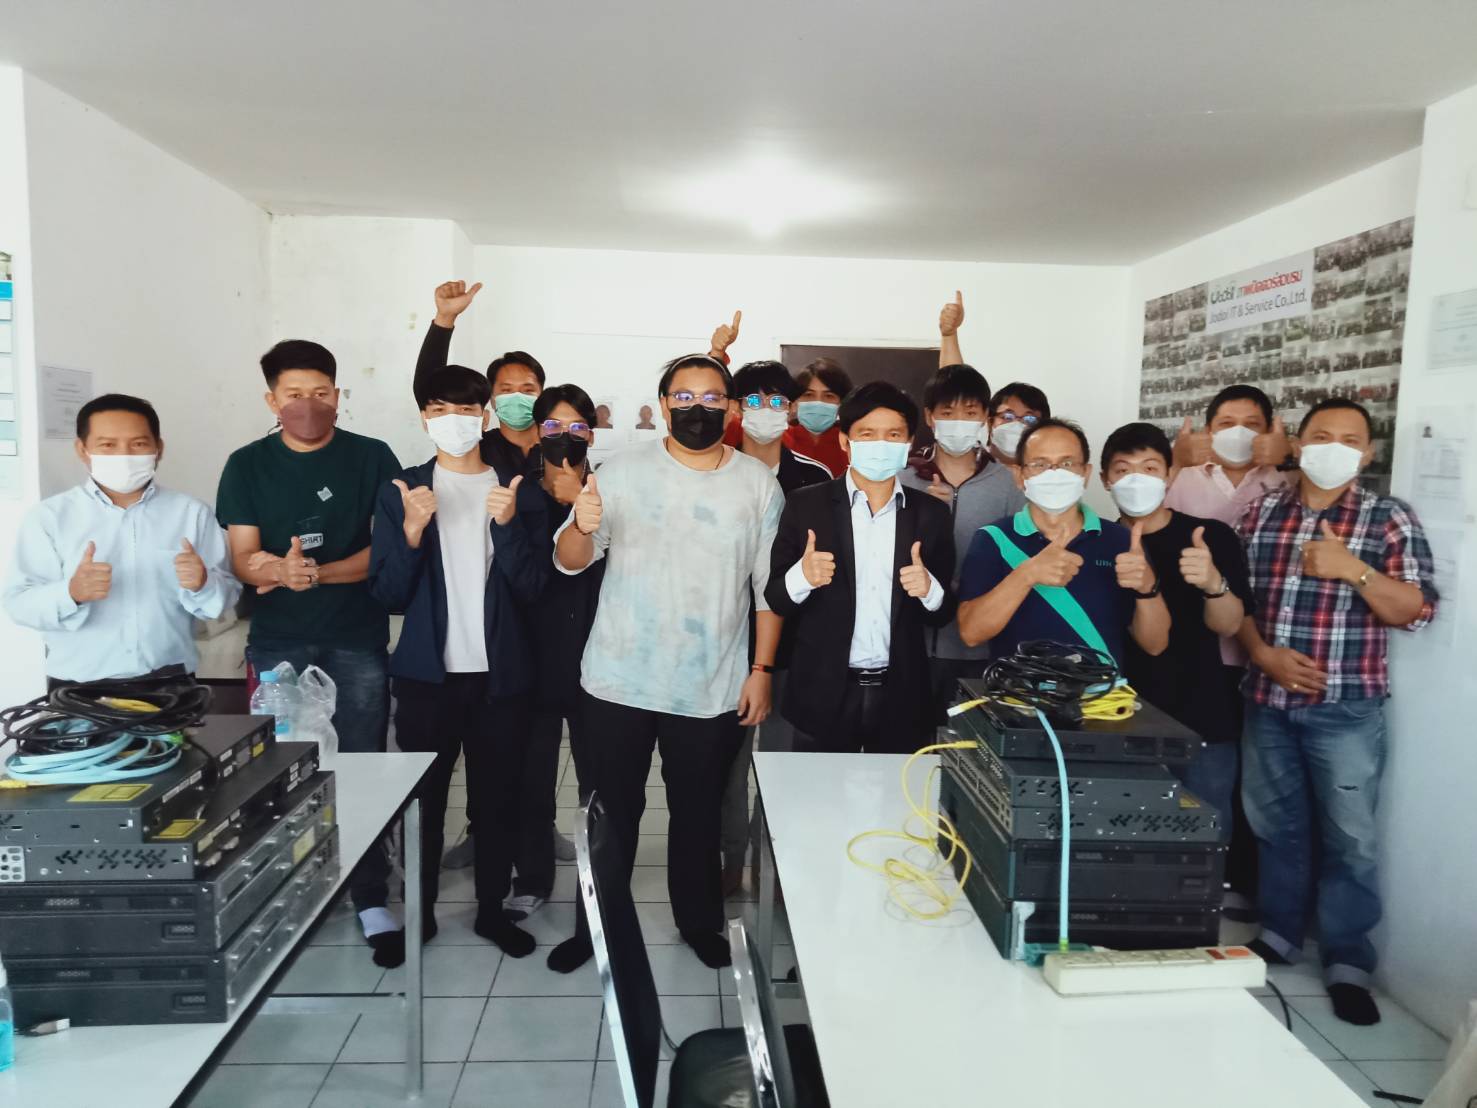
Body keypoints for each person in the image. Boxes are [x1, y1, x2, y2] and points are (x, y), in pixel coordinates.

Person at [549, 353, 782, 973]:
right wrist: (581, 523)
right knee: (609, 814)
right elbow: (570, 561)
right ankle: (594, 928)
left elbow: (769, 592)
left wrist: (761, 671)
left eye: (711, 397)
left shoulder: (758, 484)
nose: (696, 408)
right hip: (618, 678)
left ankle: (699, 921)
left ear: (730, 408)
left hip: (710, 682)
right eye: (683, 397)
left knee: (698, 812)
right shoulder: (621, 472)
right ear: (663, 403)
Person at [1235, 398, 1436, 1027]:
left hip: (1345, 708)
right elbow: (1234, 602)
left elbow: (1416, 610)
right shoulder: (1263, 512)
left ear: (1368, 453)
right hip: (1268, 699)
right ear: (1298, 445)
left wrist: (1354, 569)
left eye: (1350, 440)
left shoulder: (1387, 518)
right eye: (1321, 435)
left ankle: (1349, 962)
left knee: (1351, 840)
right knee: (1276, 826)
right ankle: (1279, 934)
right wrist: (1262, 654)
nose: (1334, 448)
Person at [215, 340, 404, 967]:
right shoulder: (246, 464)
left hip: (357, 639)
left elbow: (385, 550)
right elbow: (243, 556)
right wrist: (275, 568)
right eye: (294, 394)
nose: (308, 405)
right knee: (282, 772)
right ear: (272, 400)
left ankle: (370, 893)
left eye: (321, 393)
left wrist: (315, 574)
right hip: (279, 643)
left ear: (338, 395)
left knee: (362, 763)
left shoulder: (371, 456)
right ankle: (292, 887)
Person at [368, 365, 548, 955]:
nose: (455, 420)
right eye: (441, 409)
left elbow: (534, 587)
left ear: (485, 415)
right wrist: (413, 532)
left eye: (467, 410)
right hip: (427, 679)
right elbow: (388, 593)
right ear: (425, 417)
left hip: (502, 679)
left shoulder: (516, 487)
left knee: (497, 801)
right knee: (424, 804)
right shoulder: (404, 490)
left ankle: (492, 912)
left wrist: (507, 526)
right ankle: (418, 916)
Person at [766, 382, 956, 754]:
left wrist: (929, 590)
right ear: (845, 441)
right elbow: (776, 598)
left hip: (901, 696)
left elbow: (944, 613)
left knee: (897, 792)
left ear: (908, 443)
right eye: (867, 434)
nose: (880, 444)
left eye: (894, 435)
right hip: (822, 693)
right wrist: (802, 577)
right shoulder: (806, 505)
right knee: (819, 790)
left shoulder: (931, 514)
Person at [4, 394, 239, 686]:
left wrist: (203, 583)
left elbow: (225, 599)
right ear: (82, 449)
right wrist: (71, 592)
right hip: (79, 687)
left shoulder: (191, 513)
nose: (123, 455)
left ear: (158, 448)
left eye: (138, 444)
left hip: (171, 682)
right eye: (107, 445)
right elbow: (19, 604)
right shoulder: (50, 517)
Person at [1164, 383, 1289, 920]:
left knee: (1250, 781)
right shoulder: (1183, 481)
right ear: (1208, 430)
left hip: (1263, 653)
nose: (1238, 432)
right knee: (1200, 771)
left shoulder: (1286, 483)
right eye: (1226, 423)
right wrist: (1174, 461)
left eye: (1252, 423)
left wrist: (1291, 457)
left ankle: (1235, 883)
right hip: (1197, 654)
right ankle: (1176, 879)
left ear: (1271, 432)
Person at [1098, 422, 1252, 827]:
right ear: (1104, 480)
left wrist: (1213, 583)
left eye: (1150, 468)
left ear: (1169, 474)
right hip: (1119, 718)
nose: (1137, 480)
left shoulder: (1209, 537)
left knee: (1205, 837)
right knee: (1122, 836)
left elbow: (1229, 625)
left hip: (1201, 717)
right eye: (1123, 470)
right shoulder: (1097, 542)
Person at [718, 360, 831, 894]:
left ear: (791, 411)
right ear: (737, 409)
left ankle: (777, 867)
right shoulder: (718, 469)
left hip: (799, 648)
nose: (766, 411)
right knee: (726, 766)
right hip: (729, 642)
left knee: (786, 766)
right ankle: (730, 859)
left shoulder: (815, 477)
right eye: (754, 401)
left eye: (777, 401)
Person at [956, 418, 1169, 662]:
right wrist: (1027, 574)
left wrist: (1147, 588)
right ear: (1019, 475)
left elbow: (1155, 645)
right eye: (1040, 464)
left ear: (1086, 473)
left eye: (1067, 463)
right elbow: (970, 634)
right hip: (1019, 686)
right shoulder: (993, 538)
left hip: (1101, 686)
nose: (1054, 473)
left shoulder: (1122, 540)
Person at [511, 384, 606, 919]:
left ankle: (598, 888)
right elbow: (522, 581)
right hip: (532, 656)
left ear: (592, 434)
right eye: (552, 426)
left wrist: (581, 504)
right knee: (532, 776)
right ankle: (532, 877)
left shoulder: (608, 490)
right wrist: (562, 509)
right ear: (536, 431)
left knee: (600, 780)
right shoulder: (518, 494)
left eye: (576, 427)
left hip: (598, 658)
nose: (564, 436)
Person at [901, 351, 1024, 718]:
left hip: (981, 649)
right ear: (929, 417)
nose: (958, 422)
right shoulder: (904, 478)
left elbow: (1017, 562)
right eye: (947, 412)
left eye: (970, 413)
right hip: (911, 643)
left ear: (985, 418)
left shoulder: (1006, 484)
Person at [413, 279, 545, 472]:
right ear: (491, 398)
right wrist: (445, 318)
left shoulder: (560, 445)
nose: (517, 397)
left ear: (542, 395)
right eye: (506, 390)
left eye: (527, 390)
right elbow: (429, 388)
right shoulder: (476, 448)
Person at [936, 289, 1051, 469]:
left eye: (1029, 420)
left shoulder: (1050, 474)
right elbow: (954, 388)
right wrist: (949, 335)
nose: (1017, 425)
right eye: (1007, 416)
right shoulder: (970, 465)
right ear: (989, 422)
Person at [785, 357, 853, 477]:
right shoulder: (781, 440)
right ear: (794, 401)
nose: (818, 402)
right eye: (808, 395)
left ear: (841, 403)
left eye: (829, 396)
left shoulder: (852, 444)